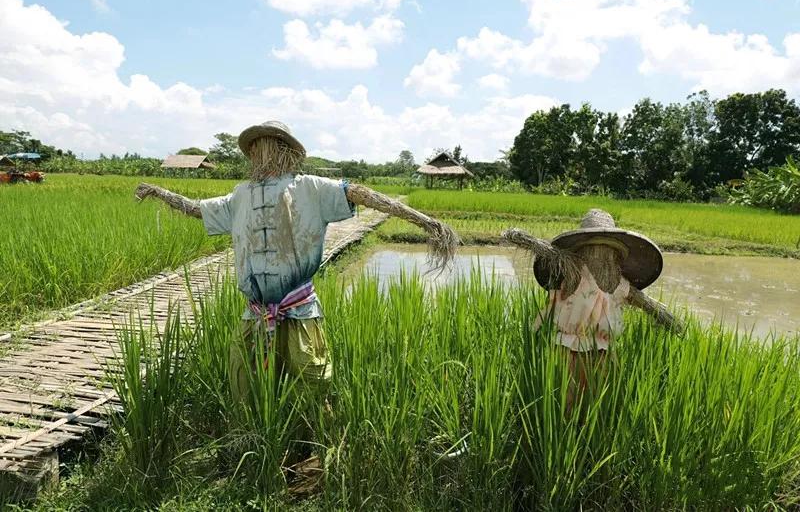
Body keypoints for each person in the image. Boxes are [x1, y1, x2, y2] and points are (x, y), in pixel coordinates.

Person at [134, 121, 458, 405]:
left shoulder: (309, 188)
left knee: (312, 386)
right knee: (245, 384)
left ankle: (310, 453)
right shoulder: (241, 195)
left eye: (267, 145)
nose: (260, 152)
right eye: (255, 147)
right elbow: (196, 208)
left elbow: (361, 193)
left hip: (299, 311)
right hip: (256, 313)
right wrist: (159, 192)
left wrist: (425, 221)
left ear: (283, 150)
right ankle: (258, 445)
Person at [502, 209, 681, 409]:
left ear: (615, 256)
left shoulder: (621, 285)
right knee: (565, 400)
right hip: (567, 348)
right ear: (583, 251)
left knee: (598, 402)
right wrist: (520, 237)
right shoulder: (572, 270)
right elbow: (546, 251)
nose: (599, 257)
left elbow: (649, 305)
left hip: (603, 351)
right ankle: (565, 433)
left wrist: (668, 320)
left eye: (606, 252)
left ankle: (589, 433)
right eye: (594, 251)